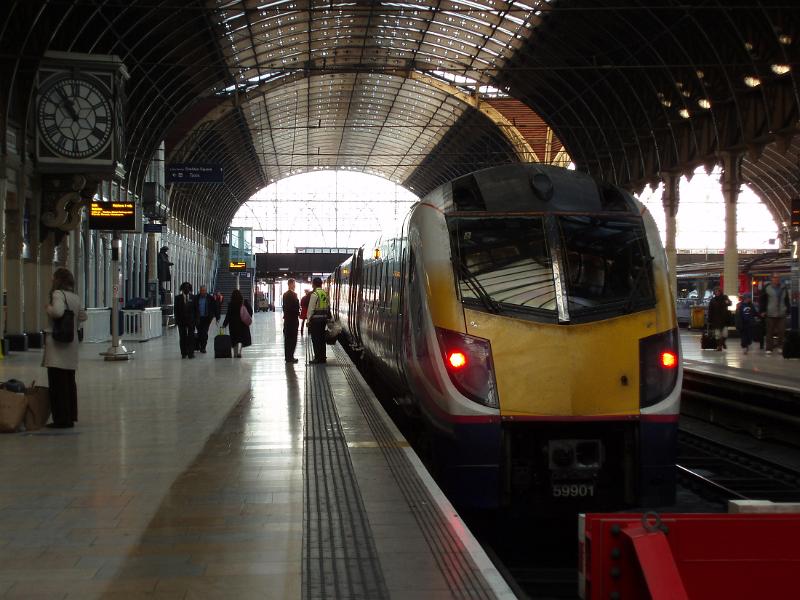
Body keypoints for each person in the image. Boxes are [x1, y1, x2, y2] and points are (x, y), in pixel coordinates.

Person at [43, 267, 87, 429]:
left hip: (58, 343)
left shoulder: (57, 294)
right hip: (71, 341)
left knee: (57, 382)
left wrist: (48, 309)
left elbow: (58, 312)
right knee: (69, 381)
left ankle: (61, 419)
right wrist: (73, 321)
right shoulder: (74, 297)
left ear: (58, 280)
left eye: (53, 277)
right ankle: (70, 415)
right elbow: (83, 316)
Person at [759, 274, 790, 354]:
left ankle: (780, 346)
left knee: (781, 331)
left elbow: (786, 300)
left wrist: (788, 310)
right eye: (775, 277)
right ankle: (769, 348)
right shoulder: (767, 288)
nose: (776, 279)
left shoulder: (783, 288)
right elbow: (762, 300)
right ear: (771, 279)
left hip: (781, 313)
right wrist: (762, 311)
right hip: (770, 313)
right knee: (769, 332)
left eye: (778, 277)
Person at [223, 288, 252, 358]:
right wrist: (247, 317)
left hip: (233, 325)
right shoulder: (244, 302)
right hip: (243, 324)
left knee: (235, 340)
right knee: (241, 339)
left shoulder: (231, 304)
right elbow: (250, 311)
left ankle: (235, 353)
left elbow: (228, 315)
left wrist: (224, 324)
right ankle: (239, 352)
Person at [307, 277, 330, 364]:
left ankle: (317, 358)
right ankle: (323, 357)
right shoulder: (324, 293)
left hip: (316, 321)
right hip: (323, 320)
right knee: (322, 339)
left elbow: (311, 308)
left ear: (314, 284)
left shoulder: (315, 294)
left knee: (316, 339)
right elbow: (328, 306)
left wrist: (308, 320)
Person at [194, 285, 219, 354]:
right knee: (200, 332)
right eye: (202, 291)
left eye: (204, 290)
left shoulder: (210, 298)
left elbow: (215, 307)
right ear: (200, 291)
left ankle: (203, 347)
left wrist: (217, 317)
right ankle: (200, 345)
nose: (203, 292)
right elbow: (193, 308)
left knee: (204, 333)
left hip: (207, 318)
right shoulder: (196, 298)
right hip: (198, 318)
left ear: (206, 291)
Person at [174, 281, 196, 359]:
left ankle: (191, 353)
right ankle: (183, 353)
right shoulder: (177, 298)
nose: (186, 289)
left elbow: (196, 309)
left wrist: (197, 320)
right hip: (181, 321)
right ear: (182, 289)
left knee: (191, 337)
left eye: (188, 288)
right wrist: (176, 321)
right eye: (185, 288)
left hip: (191, 321)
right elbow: (175, 310)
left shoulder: (193, 297)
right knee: (182, 337)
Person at [707, 287, 731, 351]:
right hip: (716, 320)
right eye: (716, 291)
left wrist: (727, 302)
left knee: (725, 334)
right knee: (717, 335)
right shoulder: (713, 300)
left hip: (724, 319)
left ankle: (723, 342)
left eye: (718, 291)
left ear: (720, 292)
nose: (717, 292)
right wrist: (709, 320)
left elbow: (730, 303)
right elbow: (710, 310)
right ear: (714, 292)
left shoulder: (725, 297)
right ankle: (719, 346)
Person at [282, 278, 300, 363]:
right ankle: (290, 357)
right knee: (292, 339)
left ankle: (288, 357)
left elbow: (285, 308)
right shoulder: (293, 295)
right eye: (293, 284)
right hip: (292, 320)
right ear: (289, 284)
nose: (295, 285)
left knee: (287, 339)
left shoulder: (285, 294)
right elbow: (294, 308)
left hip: (287, 320)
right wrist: (298, 312)